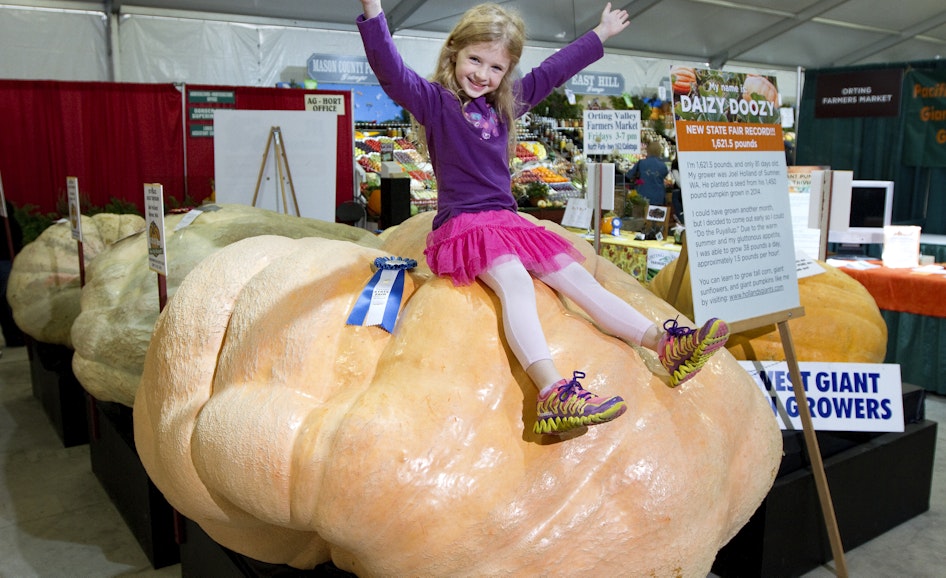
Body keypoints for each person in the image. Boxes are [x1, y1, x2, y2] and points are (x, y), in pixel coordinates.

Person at [355, 1, 729, 435]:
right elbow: (390, 71)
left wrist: (600, 33)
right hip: (466, 225)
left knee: (579, 278)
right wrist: (373, 9)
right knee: (514, 282)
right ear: (453, 52)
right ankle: (552, 392)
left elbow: (554, 70)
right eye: (474, 59)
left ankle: (664, 345)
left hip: (510, 222)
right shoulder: (435, 102)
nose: (482, 74)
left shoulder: (504, 106)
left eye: (496, 67)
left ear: (507, 70)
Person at [627, 140, 670, 206]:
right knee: (655, 215)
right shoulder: (663, 166)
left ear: (648, 151)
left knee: (641, 215)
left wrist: (639, 181)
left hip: (642, 196)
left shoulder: (641, 163)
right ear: (659, 152)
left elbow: (629, 175)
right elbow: (664, 175)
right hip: (658, 198)